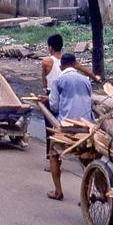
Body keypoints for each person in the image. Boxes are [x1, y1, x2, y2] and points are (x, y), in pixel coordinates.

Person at [41, 34, 100, 169]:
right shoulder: (70, 60)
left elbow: (44, 81)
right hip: (75, 92)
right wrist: (95, 78)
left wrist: (45, 90)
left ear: (50, 47)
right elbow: (83, 70)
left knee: (50, 127)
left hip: (54, 94)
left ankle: (52, 157)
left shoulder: (46, 62)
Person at [46, 53, 95, 200]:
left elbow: (54, 106)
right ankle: (86, 196)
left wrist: (49, 100)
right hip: (87, 126)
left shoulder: (58, 81)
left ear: (61, 66)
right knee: (87, 160)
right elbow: (89, 102)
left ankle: (58, 191)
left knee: (53, 155)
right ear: (75, 64)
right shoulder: (86, 80)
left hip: (67, 127)